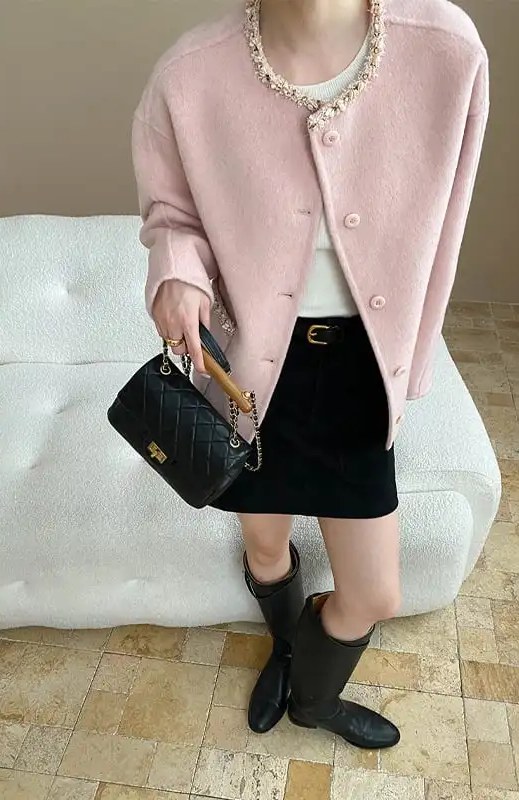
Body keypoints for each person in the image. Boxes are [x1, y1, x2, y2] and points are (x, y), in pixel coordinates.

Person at [132, 0, 488, 750]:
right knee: (265, 548)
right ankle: (290, 651)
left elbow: (449, 219)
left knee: (374, 592)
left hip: (361, 374)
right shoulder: (189, 74)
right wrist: (177, 273)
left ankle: (313, 702)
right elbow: (172, 215)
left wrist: (416, 353)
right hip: (250, 376)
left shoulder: (447, 51)